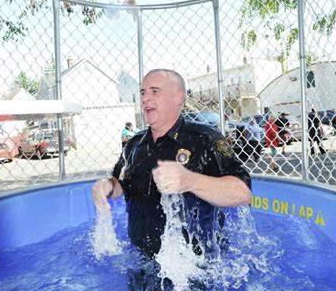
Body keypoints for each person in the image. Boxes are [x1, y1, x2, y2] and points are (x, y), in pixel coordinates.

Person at [92, 69, 251, 257]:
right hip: (141, 258)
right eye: (143, 93)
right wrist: (107, 186)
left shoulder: (205, 139)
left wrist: (191, 181)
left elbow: (243, 193)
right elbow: (122, 185)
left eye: (155, 91)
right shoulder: (134, 144)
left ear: (178, 97)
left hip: (195, 263)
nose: (145, 99)